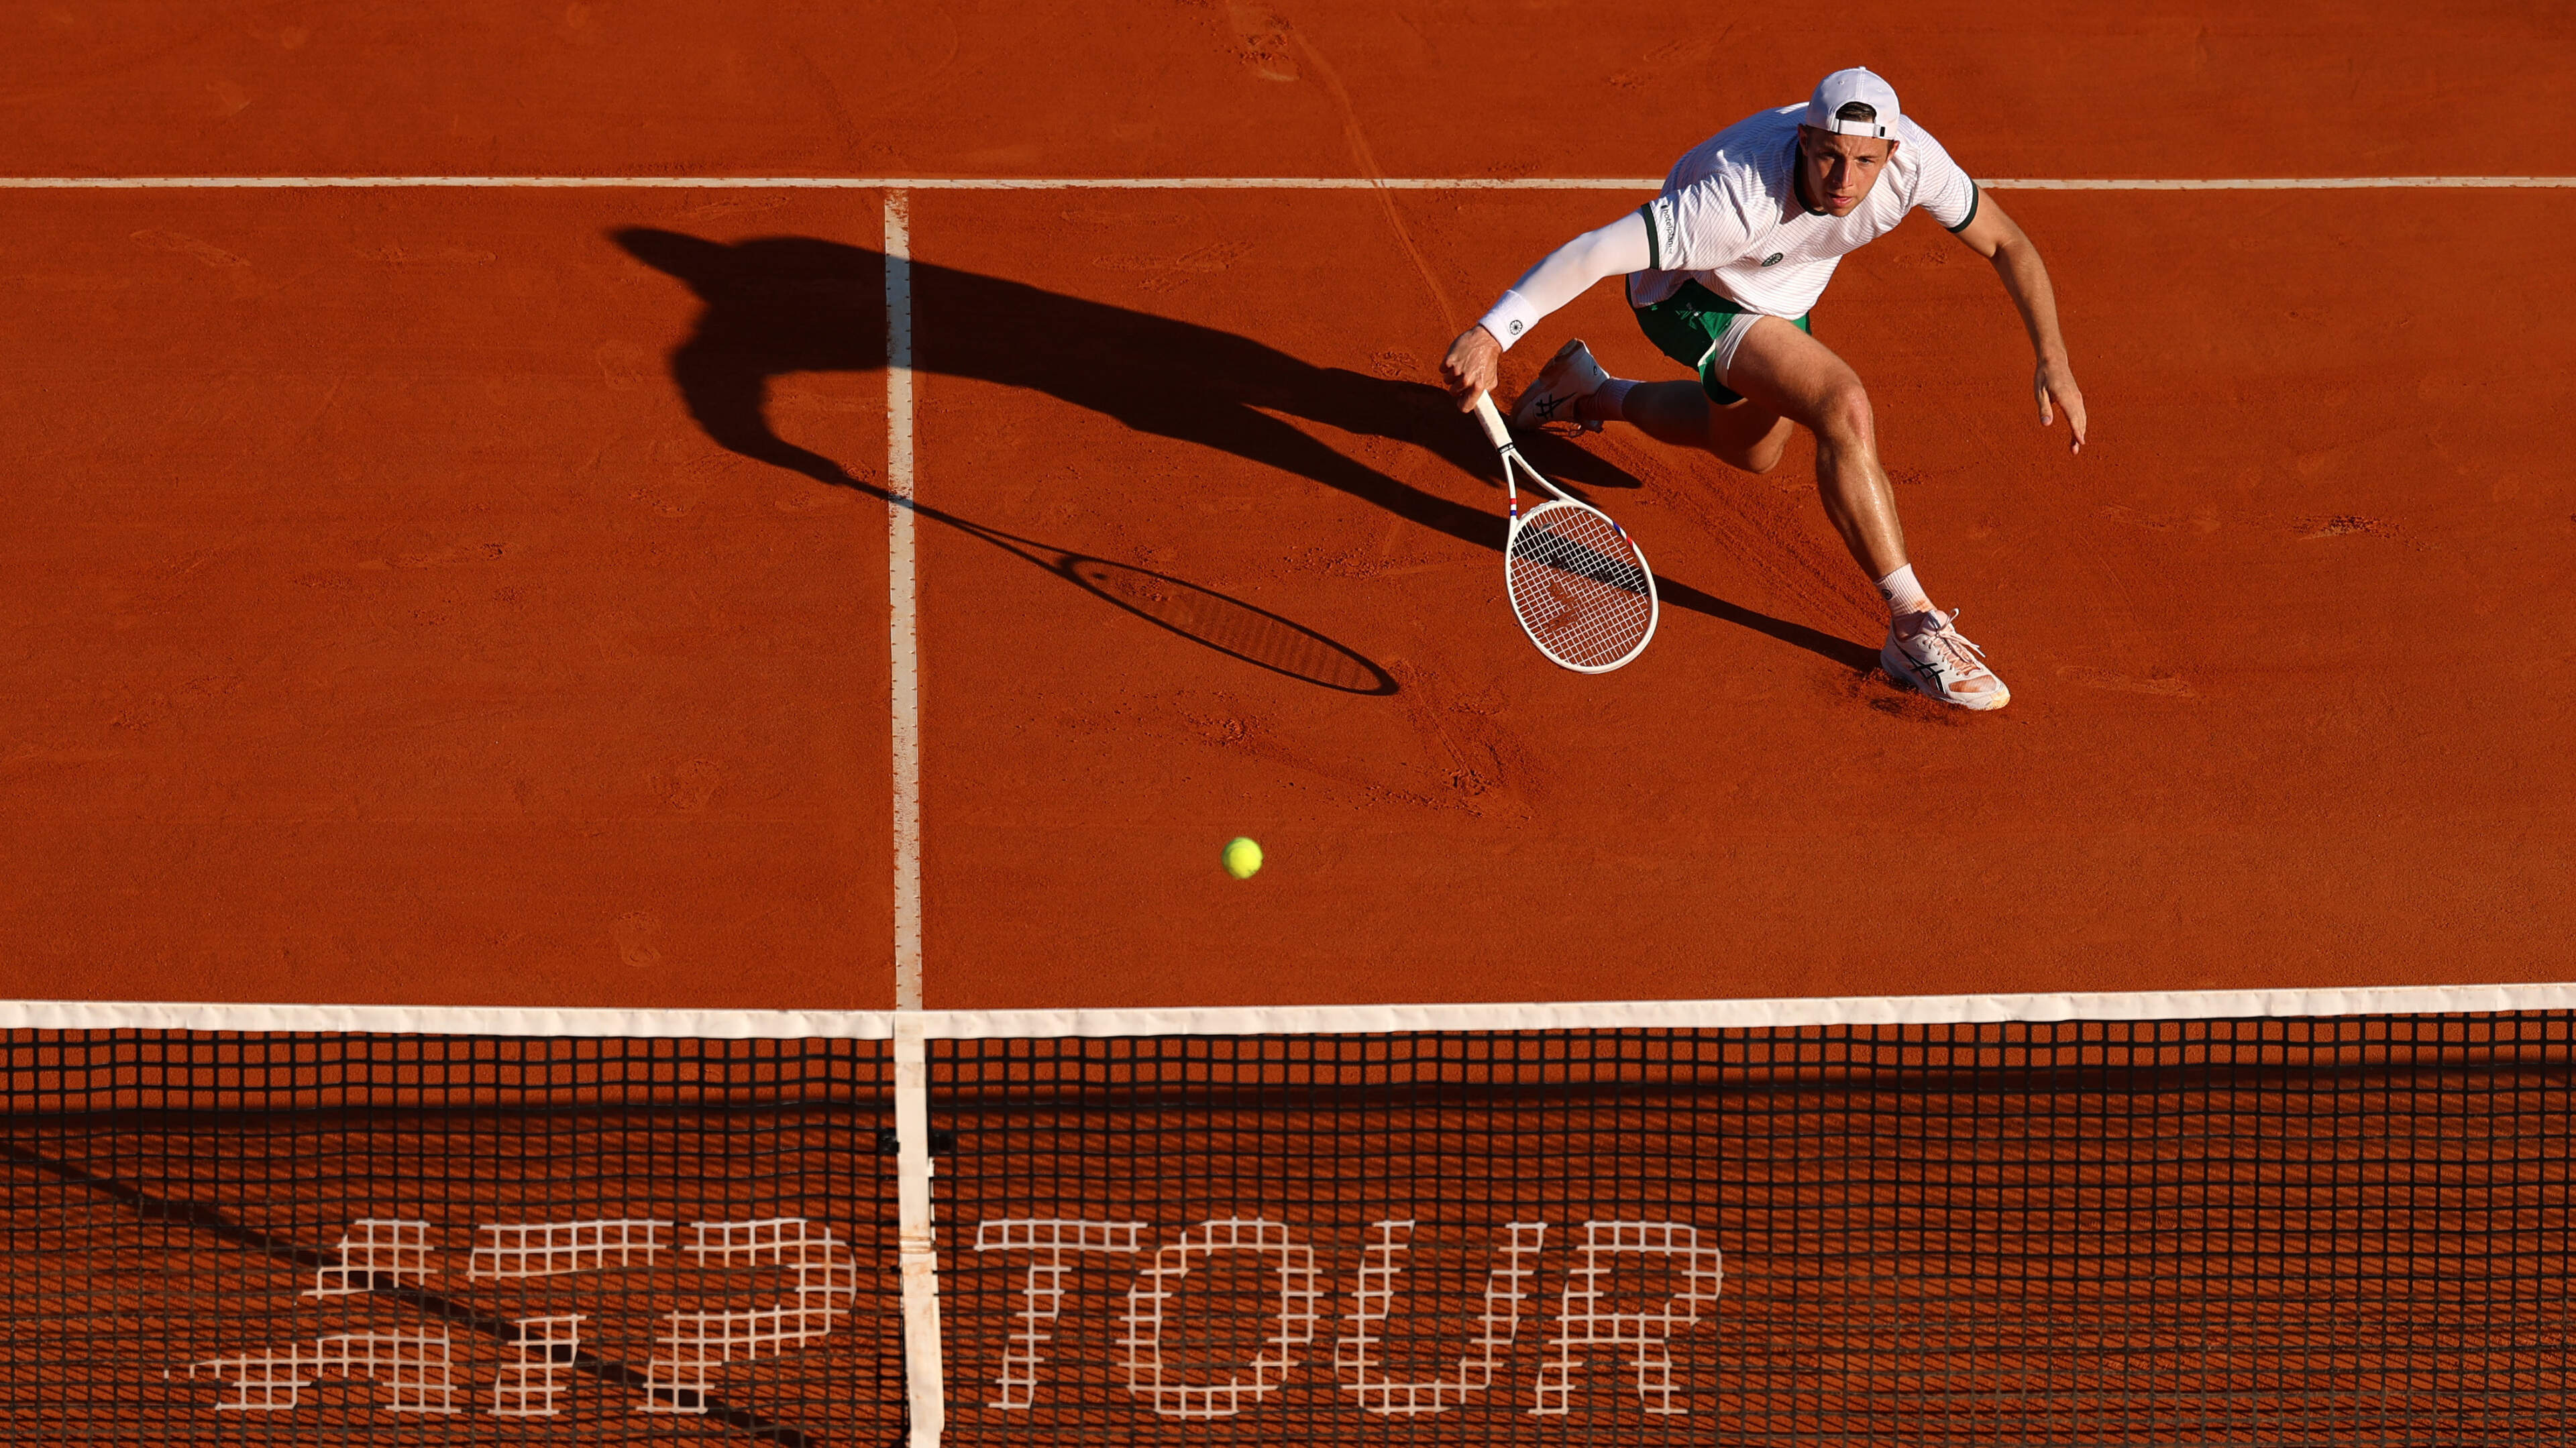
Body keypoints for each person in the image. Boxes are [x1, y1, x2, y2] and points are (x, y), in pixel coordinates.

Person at [1440, 67, 2086, 710]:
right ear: (1804, 139)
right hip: (1695, 291)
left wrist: (2052, 355)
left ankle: (1592, 393)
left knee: (1750, 450)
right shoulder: (1736, 198)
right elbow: (1594, 252)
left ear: (1893, 153)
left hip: (1782, 289)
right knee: (1842, 402)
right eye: (1830, 156)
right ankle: (1912, 625)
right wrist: (1492, 333)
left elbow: (2005, 241)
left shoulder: (1916, 163)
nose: (1845, 180)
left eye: (1865, 161)